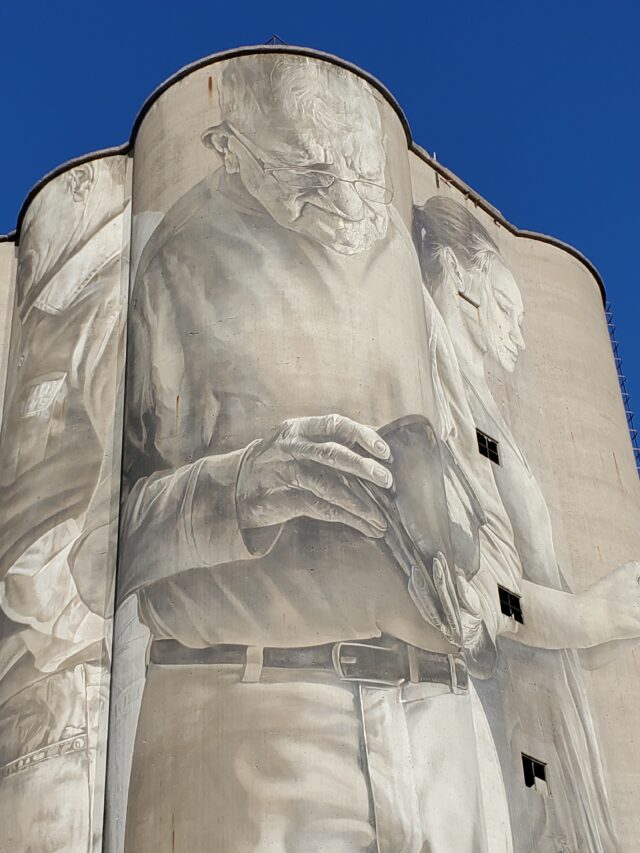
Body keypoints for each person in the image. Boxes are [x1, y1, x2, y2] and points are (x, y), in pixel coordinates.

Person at [119, 55, 495, 852]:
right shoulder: (174, 263)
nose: (354, 202)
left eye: (364, 170)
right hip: (265, 730)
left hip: (443, 729)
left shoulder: (401, 247)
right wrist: (241, 488)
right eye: (313, 176)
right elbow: (100, 541)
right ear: (228, 146)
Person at [414, 195, 640, 852]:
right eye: (507, 309)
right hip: (498, 721)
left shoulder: (483, 403)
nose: (517, 332)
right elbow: (481, 586)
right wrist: (593, 615)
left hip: (540, 723)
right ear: (462, 277)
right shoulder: (434, 381)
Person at [0, 156, 127, 852]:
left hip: (65, 699)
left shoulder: (109, 297)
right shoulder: (52, 311)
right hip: (37, 704)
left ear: (79, 192)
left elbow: (118, 515)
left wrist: (42, 595)